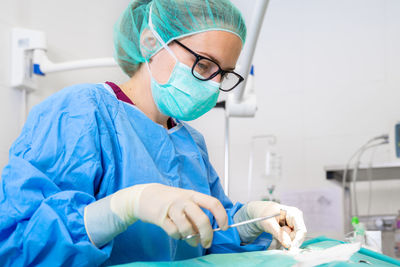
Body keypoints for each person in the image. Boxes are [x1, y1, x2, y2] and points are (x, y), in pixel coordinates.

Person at [0, 0, 307, 265]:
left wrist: (253, 219)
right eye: (203, 66)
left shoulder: (190, 142)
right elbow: (20, 246)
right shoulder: (79, 113)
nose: (214, 85)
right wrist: (125, 206)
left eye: (223, 74)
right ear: (150, 42)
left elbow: (208, 234)